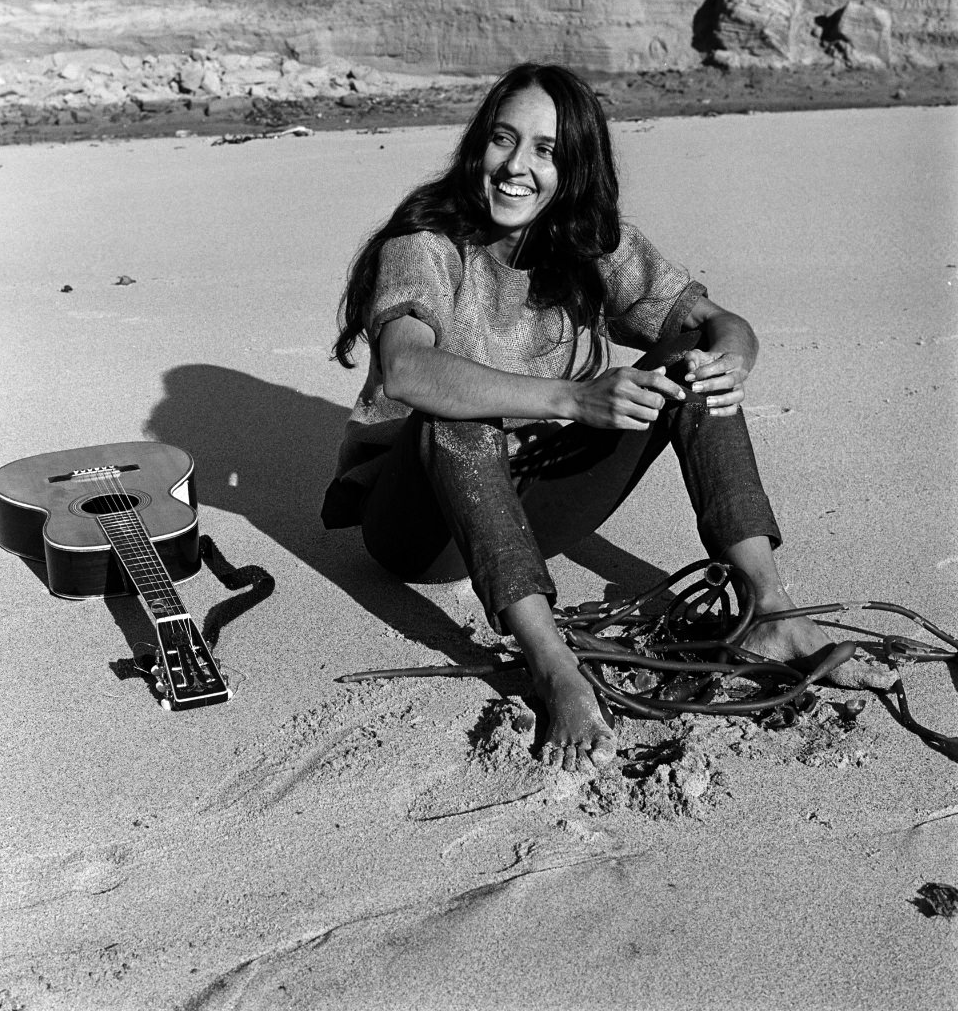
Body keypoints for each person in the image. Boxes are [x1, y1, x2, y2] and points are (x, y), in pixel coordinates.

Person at [322, 61, 889, 773]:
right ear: (478, 146)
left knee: (688, 361)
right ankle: (552, 664)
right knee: (455, 417)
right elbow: (407, 369)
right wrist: (574, 398)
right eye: (502, 140)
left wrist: (731, 359)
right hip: (420, 525)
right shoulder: (426, 242)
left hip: (530, 503)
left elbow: (717, 323)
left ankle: (769, 608)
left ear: (576, 165)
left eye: (545, 150)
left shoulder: (592, 242)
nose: (516, 167)